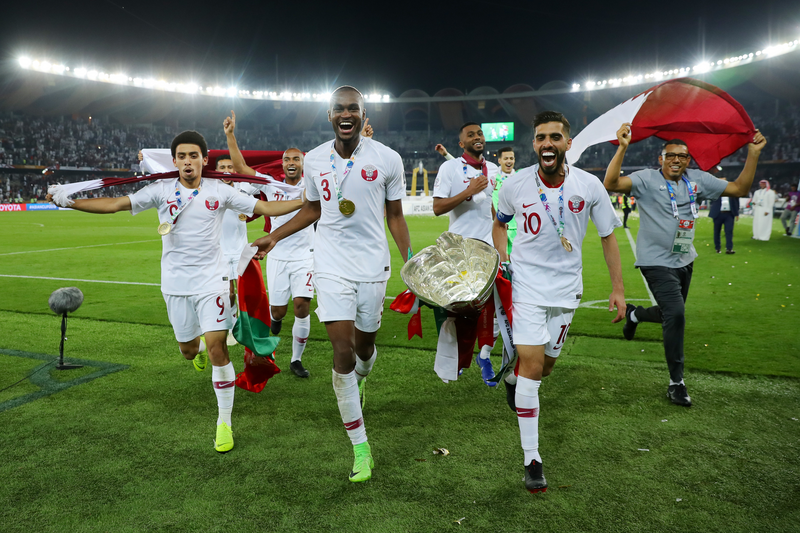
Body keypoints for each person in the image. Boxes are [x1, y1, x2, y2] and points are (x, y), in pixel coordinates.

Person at [47, 131, 304, 453]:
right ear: (174, 161)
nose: (187, 161)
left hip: (212, 282)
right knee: (188, 349)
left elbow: (265, 208)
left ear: (203, 160)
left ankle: (224, 421)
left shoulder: (219, 191)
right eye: (181, 156)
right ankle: (193, 352)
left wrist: (309, 200)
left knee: (217, 349)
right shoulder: (160, 189)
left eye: (193, 156)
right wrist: (69, 203)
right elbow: (115, 203)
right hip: (175, 285)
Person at [253, 86, 412, 483]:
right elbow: (311, 208)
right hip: (330, 265)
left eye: (353, 109)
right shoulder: (315, 160)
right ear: (329, 116)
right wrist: (275, 235)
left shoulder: (388, 159)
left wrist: (411, 261)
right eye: (339, 109)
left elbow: (395, 215)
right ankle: (361, 448)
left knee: (364, 348)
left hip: (373, 266)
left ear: (363, 115)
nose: (346, 114)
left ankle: (361, 376)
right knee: (341, 354)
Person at [493, 110, 626, 494]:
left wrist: (617, 288)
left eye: (554, 137)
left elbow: (608, 236)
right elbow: (499, 222)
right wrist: (503, 258)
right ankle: (532, 459)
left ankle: (514, 378)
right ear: (533, 144)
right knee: (534, 367)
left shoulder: (589, 186)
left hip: (567, 291)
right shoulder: (515, 186)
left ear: (567, 143)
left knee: (544, 367)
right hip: (528, 289)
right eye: (540, 138)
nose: (546, 143)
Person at [604, 122, 766, 407]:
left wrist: (753, 153)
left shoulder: (698, 180)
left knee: (670, 314)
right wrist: (623, 148)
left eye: (682, 156)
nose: (676, 160)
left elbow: (739, 189)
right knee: (676, 313)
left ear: (688, 160)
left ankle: (635, 315)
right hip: (654, 260)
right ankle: (676, 382)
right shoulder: (646, 179)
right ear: (661, 159)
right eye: (670, 155)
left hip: (684, 258)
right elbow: (611, 184)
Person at [223, 111, 314, 377]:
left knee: (302, 306)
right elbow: (241, 170)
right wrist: (230, 135)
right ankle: (275, 321)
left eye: (296, 158)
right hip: (277, 254)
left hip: (306, 255)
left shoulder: (314, 187)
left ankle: (296, 360)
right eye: (287, 159)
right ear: (282, 165)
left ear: (303, 163)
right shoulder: (272, 185)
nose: (291, 162)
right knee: (278, 310)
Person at [432, 123, 499, 387]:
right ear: (462, 144)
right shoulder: (449, 168)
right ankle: (455, 362)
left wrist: (501, 241)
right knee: (459, 311)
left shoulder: (492, 169)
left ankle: (484, 355)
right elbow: (437, 207)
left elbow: (493, 208)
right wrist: (467, 192)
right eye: (470, 135)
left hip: (488, 249)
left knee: (490, 308)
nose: (477, 137)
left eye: (479, 133)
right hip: (459, 250)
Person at [493, 147, 518, 255]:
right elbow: (467, 170)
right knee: (500, 263)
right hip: (497, 227)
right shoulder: (492, 178)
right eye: (506, 158)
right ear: (499, 160)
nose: (509, 161)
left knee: (516, 263)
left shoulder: (520, 178)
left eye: (511, 158)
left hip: (516, 228)